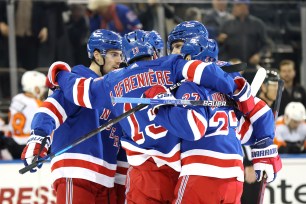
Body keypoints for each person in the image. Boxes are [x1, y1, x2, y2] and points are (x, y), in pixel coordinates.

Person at [44, 27, 255, 203]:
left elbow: (80, 91)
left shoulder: (113, 80)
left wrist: (60, 73)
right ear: (156, 51)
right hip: (175, 170)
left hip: (140, 174)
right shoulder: (172, 65)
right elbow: (205, 70)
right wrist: (233, 85)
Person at [153, 35, 282, 203]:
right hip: (234, 174)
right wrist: (264, 146)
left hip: (200, 170)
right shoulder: (230, 86)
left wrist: (161, 108)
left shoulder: (190, 85)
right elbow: (260, 114)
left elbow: (193, 127)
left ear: (190, 57)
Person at [21, 29, 123, 204]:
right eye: (114, 54)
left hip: (106, 180)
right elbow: (51, 108)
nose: (119, 60)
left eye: (121, 55)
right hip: (76, 171)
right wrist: (38, 137)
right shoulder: (78, 81)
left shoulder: (115, 90)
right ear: (97, 56)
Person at [241, 69, 280, 204]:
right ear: (263, 86)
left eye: (277, 85)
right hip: (249, 165)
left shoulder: (269, 107)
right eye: (273, 85)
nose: (276, 89)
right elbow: (240, 131)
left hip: (262, 162)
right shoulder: (254, 105)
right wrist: (248, 164)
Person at [4, 71, 46, 159]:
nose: (43, 90)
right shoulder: (39, 105)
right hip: (28, 146)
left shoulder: (17, 98)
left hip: (11, 143)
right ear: (35, 88)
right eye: (42, 87)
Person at [218, 0, 270, 67]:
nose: (234, 8)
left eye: (237, 5)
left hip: (251, 66)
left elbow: (266, 45)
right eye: (234, 5)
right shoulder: (227, 24)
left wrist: (258, 55)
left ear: (245, 6)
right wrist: (220, 41)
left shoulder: (257, 24)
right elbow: (220, 47)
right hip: (232, 67)